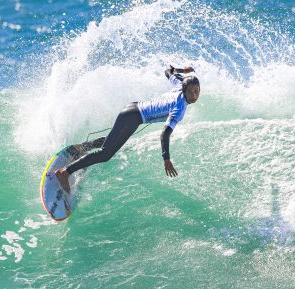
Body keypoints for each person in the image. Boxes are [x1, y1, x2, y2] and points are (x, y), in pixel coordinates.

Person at [55, 65, 200, 193]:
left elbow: (168, 71)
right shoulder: (180, 108)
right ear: (184, 90)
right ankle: (65, 173)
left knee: (114, 140)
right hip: (134, 116)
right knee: (105, 154)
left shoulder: (179, 84)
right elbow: (165, 134)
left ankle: (82, 148)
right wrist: (166, 159)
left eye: (197, 91)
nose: (194, 95)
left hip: (133, 108)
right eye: (191, 92)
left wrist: (182, 70)